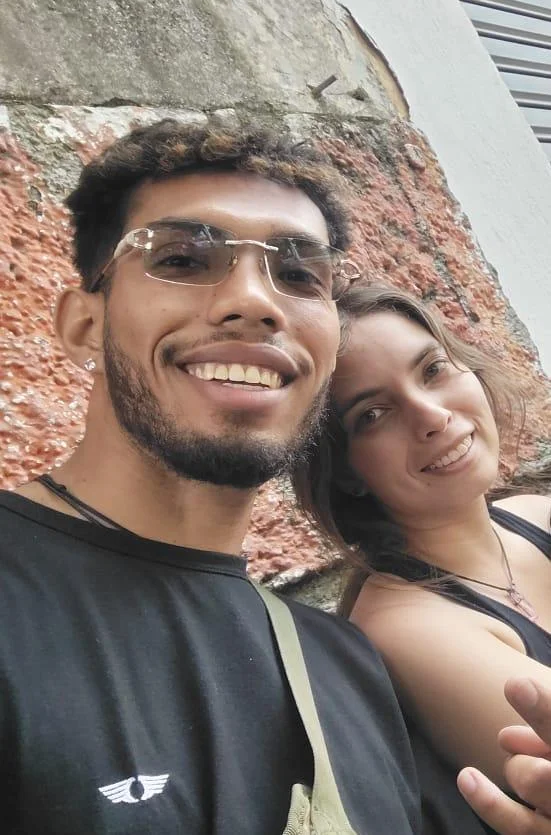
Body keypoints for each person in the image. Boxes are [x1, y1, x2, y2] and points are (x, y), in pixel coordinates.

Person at [1, 121, 549, 835]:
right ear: (83, 325)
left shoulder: (342, 669)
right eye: (182, 258)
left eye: (298, 275)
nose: (255, 300)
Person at [294, 282, 551, 814]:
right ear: (344, 472)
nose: (432, 416)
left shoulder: (534, 513)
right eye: (373, 414)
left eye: (433, 369)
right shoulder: (403, 625)